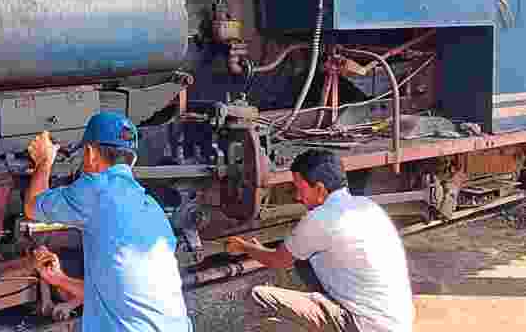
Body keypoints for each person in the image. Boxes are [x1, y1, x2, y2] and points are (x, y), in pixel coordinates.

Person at [24, 111, 191, 332]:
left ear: (91, 154)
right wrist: (59, 279)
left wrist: (44, 162)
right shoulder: (152, 209)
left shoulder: (95, 190)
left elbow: (33, 206)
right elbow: (122, 296)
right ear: (133, 160)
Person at [226, 149, 414, 332]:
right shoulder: (367, 205)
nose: (298, 196)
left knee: (258, 296)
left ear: (320, 189)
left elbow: (278, 261)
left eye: (300, 189)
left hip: (363, 325)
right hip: (398, 322)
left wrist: (245, 247)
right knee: (304, 260)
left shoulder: (320, 218)